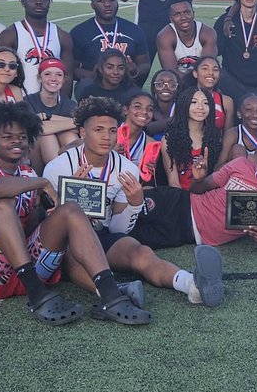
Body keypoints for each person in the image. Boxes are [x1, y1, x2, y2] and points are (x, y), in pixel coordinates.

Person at [0, 101, 151, 326]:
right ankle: (37, 296)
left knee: (71, 209)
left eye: (21, 136)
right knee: (0, 201)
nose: (16, 141)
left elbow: (28, 229)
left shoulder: (27, 175)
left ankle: (111, 296)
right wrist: (43, 183)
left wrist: (52, 213)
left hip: (26, 271)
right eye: (7, 137)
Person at [42, 96, 223, 308]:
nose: (106, 137)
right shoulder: (58, 167)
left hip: (102, 235)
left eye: (112, 131)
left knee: (140, 252)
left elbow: (118, 228)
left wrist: (134, 204)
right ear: (82, 132)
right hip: (68, 242)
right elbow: (49, 223)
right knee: (74, 254)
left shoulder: (126, 168)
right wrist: (72, 197)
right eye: (98, 130)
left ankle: (191, 285)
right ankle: (116, 291)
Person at [133, 128, 257, 250]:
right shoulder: (241, 164)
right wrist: (198, 179)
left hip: (189, 233)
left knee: (131, 237)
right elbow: (199, 189)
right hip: (180, 202)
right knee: (127, 208)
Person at [0, 0, 74, 95]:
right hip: (21, 101)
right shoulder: (10, 35)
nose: (38, 2)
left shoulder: (63, 36)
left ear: (49, 2)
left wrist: (63, 104)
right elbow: (2, 75)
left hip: (52, 103)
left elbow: (67, 76)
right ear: (23, 2)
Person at [70, 0, 150, 85]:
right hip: (94, 84)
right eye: (100, 1)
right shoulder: (79, 32)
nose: (107, 4)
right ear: (92, 5)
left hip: (125, 84)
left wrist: (134, 72)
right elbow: (72, 68)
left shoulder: (134, 30)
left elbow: (144, 64)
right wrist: (95, 76)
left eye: (111, 0)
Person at [162, 87, 223, 191]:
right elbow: (173, 182)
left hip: (207, 195)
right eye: (194, 102)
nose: (200, 107)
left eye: (205, 103)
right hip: (180, 196)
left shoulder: (215, 137)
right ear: (184, 105)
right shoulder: (169, 139)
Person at [22, 57, 78, 169]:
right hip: (32, 153)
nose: (53, 79)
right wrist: (70, 123)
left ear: (63, 79)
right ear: (39, 78)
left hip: (61, 148)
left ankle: (71, 175)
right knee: (47, 136)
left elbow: (80, 127)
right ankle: (58, 175)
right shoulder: (28, 101)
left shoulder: (70, 105)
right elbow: (38, 129)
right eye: (47, 74)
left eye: (59, 75)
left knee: (69, 135)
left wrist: (47, 117)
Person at [156, 0, 217, 77]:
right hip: (179, 82)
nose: (183, 18)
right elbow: (172, 72)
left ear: (193, 13)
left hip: (203, 80)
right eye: (177, 14)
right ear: (171, 19)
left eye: (187, 12)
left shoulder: (207, 33)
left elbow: (208, 67)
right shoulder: (165, 36)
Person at [117, 90, 164, 185]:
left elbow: (145, 179)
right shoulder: (110, 134)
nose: (144, 112)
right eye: (137, 107)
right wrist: (108, 155)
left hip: (133, 190)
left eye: (149, 109)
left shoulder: (151, 143)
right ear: (125, 110)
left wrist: (150, 171)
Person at [218, 91, 257, 166]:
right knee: (237, 150)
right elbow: (219, 167)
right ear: (239, 113)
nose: (255, 115)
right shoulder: (232, 134)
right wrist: (245, 158)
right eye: (249, 110)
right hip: (239, 176)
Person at [189, 56, 235, 134]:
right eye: (205, 68)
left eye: (215, 69)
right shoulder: (185, 98)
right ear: (195, 73)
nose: (210, 73)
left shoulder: (226, 102)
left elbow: (228, 135)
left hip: (216, 145)